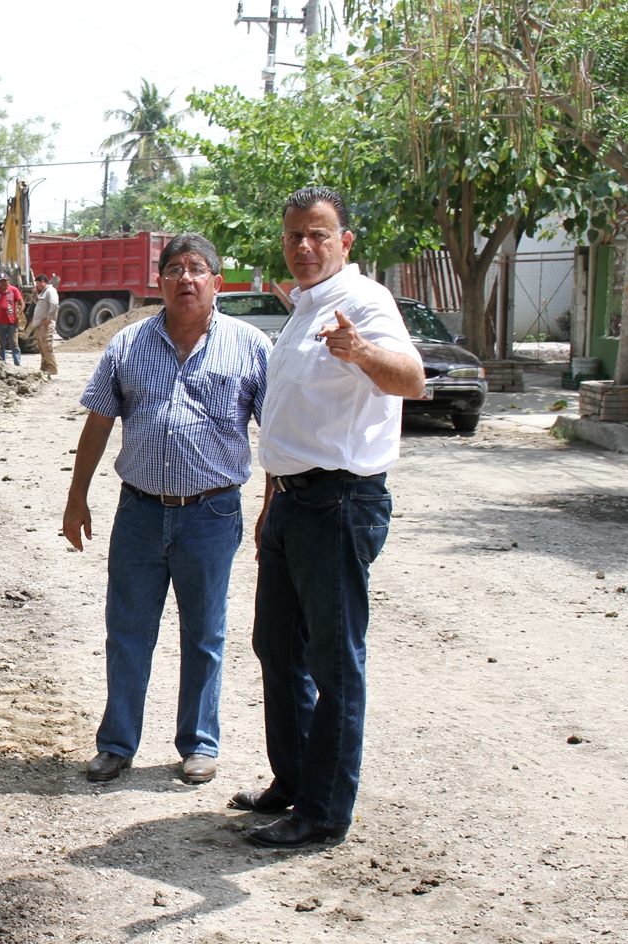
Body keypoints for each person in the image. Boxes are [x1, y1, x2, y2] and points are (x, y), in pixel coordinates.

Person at [234, 186, 425, 849]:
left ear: (345, 241)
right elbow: (285, 418)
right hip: (292, 502)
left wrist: (360, 352)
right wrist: (268, 504)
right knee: (276, 647)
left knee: (333, 661)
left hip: (338, 502)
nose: (305, 247)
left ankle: (324, 811)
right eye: (294, 237)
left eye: (318, 235)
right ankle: (293, 782)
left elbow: (412, 379)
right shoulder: (301, 309)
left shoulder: (364, 303)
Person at [62, 233, 270, 787]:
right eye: (174, 269)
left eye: (197, 269)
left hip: (212, 514)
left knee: (205, 633)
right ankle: (116, 744)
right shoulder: (127, 346)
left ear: (217, 282)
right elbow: (99, 422)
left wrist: (273, 503)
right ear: (159, 283)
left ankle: (199, 743)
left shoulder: (250, 346)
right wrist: (76, 496)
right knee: (127, 630)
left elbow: (276, 435)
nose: (185, 278)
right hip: (140, 515)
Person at [0, 273, 24, 366]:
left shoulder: (14, 290)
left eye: (5, 281)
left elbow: (22, 303)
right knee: (1, 345)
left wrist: (18, 315)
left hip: (12, 323)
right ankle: (2, 364)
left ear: (8, 281)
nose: (3, 283)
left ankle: (17, 363)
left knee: (14, 344)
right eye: (1, 281)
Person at [29, 272, 59, 375]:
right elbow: (38, 303)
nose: (36, 286)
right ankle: (44, 367)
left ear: (42, 282)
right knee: (42, 347)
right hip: (40, 324)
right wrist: (34, 294)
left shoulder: (50, 291)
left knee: (47, 346)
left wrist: (48, 318)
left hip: (46, 324)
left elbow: (54, 304)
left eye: (37, 283)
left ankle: (52, 367)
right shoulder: (43, 292)